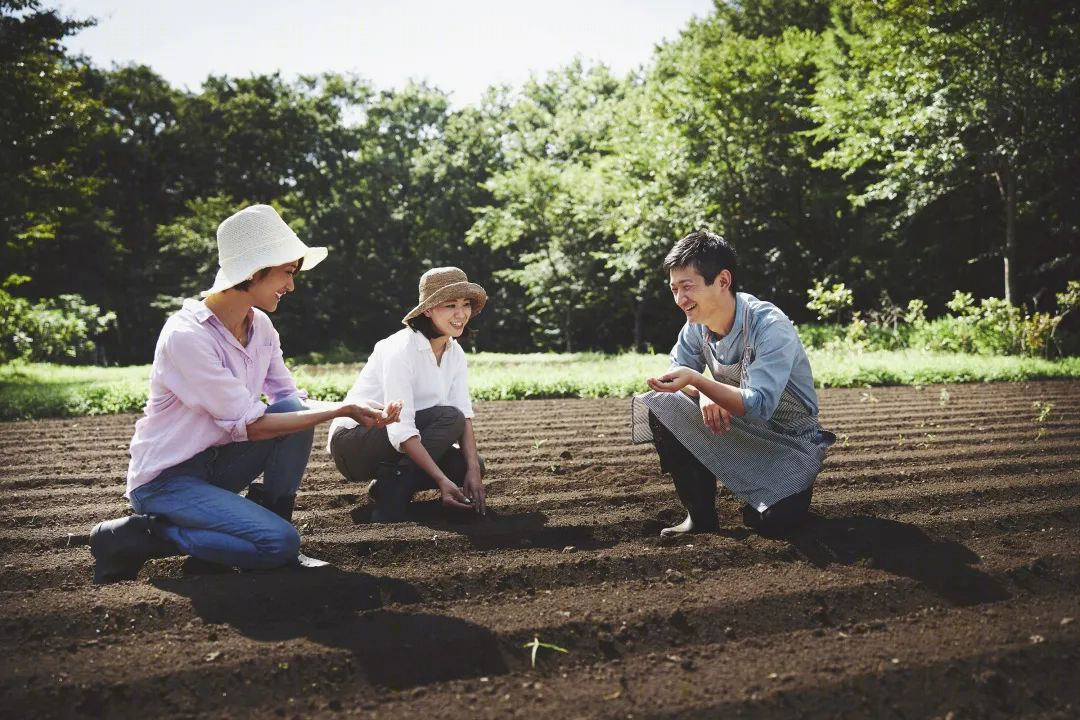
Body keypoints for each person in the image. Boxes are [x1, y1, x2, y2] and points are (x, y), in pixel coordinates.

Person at [89, 204, 401, 583]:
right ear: (255, 272)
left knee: (292, 411)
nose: (291, 285)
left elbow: (290, 401)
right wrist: (338, 410)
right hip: (167, 481)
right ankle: (140, 534)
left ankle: (261, 521)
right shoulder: (186, 336)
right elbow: (249, 425)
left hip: (218, 464)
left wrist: (350, 410)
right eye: (287, 273)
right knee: (278, 544)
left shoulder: (262, 327)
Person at [632, 230, 835, 538]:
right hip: (736, 428)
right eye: (674, 289)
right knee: (662, 404)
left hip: (789, 442)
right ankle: (699, 516)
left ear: (723, 281)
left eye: (687, 287)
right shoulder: (695, 326)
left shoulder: (769, 325)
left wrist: (700, 381)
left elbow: (758, 406)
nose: (680, 299)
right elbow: (678, 371)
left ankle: (772, 493)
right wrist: (701, 391)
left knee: (774, 524)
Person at [328, 266, 488, 522]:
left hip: (395, 441)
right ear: (428, 309)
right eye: (450, 305)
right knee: (450, 418)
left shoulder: (455, 353)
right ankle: (393, 494)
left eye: (465, 304)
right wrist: (441, 480)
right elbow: (400, 430)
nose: (461, 314)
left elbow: (465, 414)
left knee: (471, 464)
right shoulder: (400, 349)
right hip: (355, 443)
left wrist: (473, 472)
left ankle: (387, 486)